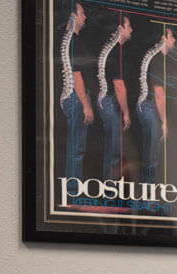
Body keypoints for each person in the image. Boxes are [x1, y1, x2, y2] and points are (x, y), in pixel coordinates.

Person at [59, 2, 94, 179]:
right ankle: (73, 192)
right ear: (73, 16)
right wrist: (86, 105)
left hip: (71, 97)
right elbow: (76, 74)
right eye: (82, 13)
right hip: (75, 97)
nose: (85, 16)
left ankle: (72, 192)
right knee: (77, 151)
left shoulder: (69, 38)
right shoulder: (74, 40)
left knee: (76, 150)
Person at [96, 14, 132, 180]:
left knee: (112, 149)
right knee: (115, 150)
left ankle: (110, 191)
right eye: (128, 26)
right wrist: (126, 113)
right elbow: (119, 85)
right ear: (119, 29)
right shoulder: (115, 51)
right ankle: (111, 193)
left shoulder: (110, 48)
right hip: (109, 100)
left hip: (105, 100)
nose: (131, 29)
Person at [137, 27, 175, 184]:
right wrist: (164, 121)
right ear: (163, 38)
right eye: (171, 37)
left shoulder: (154, 57)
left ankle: (147, 196)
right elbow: (159, 93)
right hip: (151, 107)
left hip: (144, 106)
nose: (174, 40)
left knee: (149, 155)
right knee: (154, 156)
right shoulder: (159, 59)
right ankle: (150, 200)